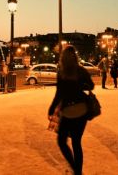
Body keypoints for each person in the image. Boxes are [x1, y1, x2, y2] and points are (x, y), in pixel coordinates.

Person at [48, 45, 95, 175]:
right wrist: (82, 85)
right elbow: (91, 85)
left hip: (68, 111)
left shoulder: (61, 73)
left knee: (62, 142)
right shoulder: (81, 70)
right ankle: (78, 171)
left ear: (63, 58)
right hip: (82, 110)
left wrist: (51, 109)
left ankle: (75, 169)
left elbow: (58, 94)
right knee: (76, 143)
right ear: (75, 57)